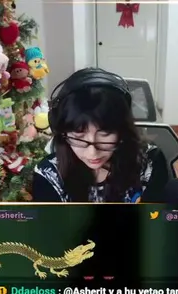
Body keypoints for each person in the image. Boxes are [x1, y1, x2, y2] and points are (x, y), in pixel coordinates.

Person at [30, 68, 170, 203]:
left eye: (105, 133)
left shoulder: (150, 163)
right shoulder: (48, 175)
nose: (93, 153)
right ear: (63, 132)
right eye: (78, 135)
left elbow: (155, 216)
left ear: (122, 129)